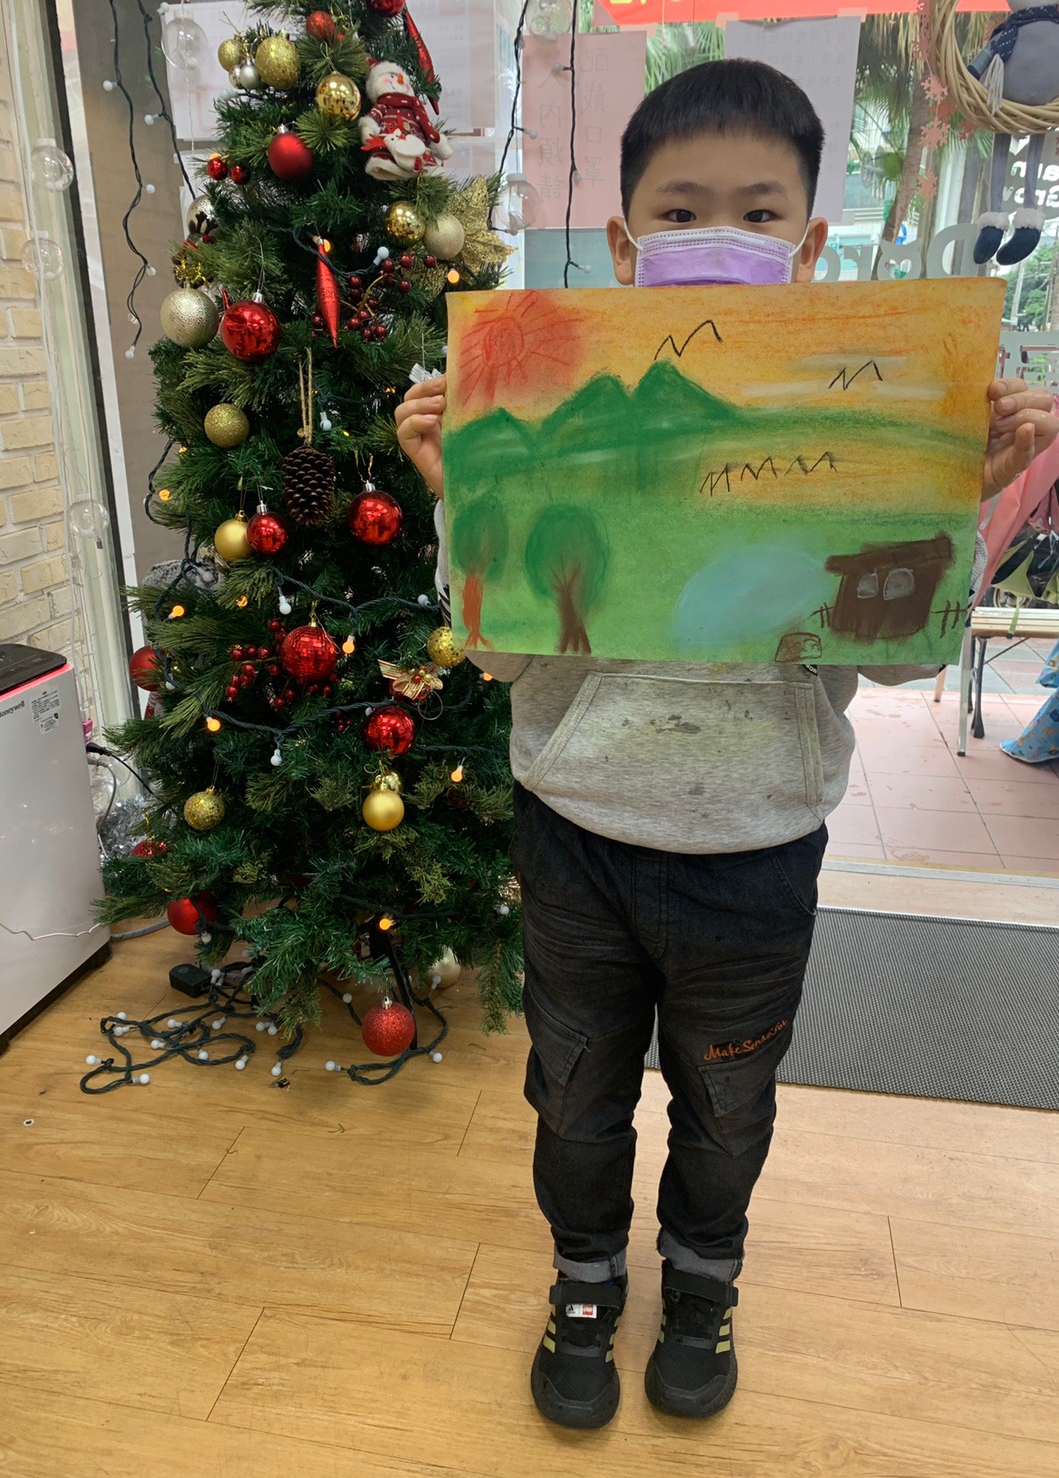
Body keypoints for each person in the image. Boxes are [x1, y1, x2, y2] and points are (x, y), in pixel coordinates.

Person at [397, 59, 1059, 1431]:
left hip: (757, 850)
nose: (723, 236)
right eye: (682, 209)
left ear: (808, 247)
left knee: (728, 1102)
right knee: (574, 1095)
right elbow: (501, 653)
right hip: (577, 838)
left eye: (760, 214)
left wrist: (953, 500)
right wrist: (464, 494)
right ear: (625, 240)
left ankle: (702, 1282)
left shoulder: (855, 428)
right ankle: (587, 1280)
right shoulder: (549, 410)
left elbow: (900, 660)